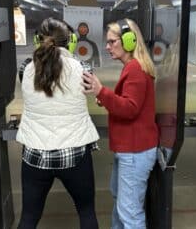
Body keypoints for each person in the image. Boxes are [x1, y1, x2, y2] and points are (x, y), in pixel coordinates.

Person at [16, 17, 100, 229]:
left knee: (28, 218)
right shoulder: (83, 68)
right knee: (87, 212)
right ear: (71, 41)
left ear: (37, 41)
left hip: (35, 156)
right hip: (74, 155)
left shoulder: (25, 68)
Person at [82, 18, 159, 229]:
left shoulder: (135, 69)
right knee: (122, 204)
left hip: (135, 151)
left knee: (130, 214)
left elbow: (130, 108)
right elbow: (127, 102)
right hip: (131, 149)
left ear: (129, 41)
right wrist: (105, 97)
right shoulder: (133, 67)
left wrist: (102, 91)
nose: (107, 47)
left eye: (112, 41)